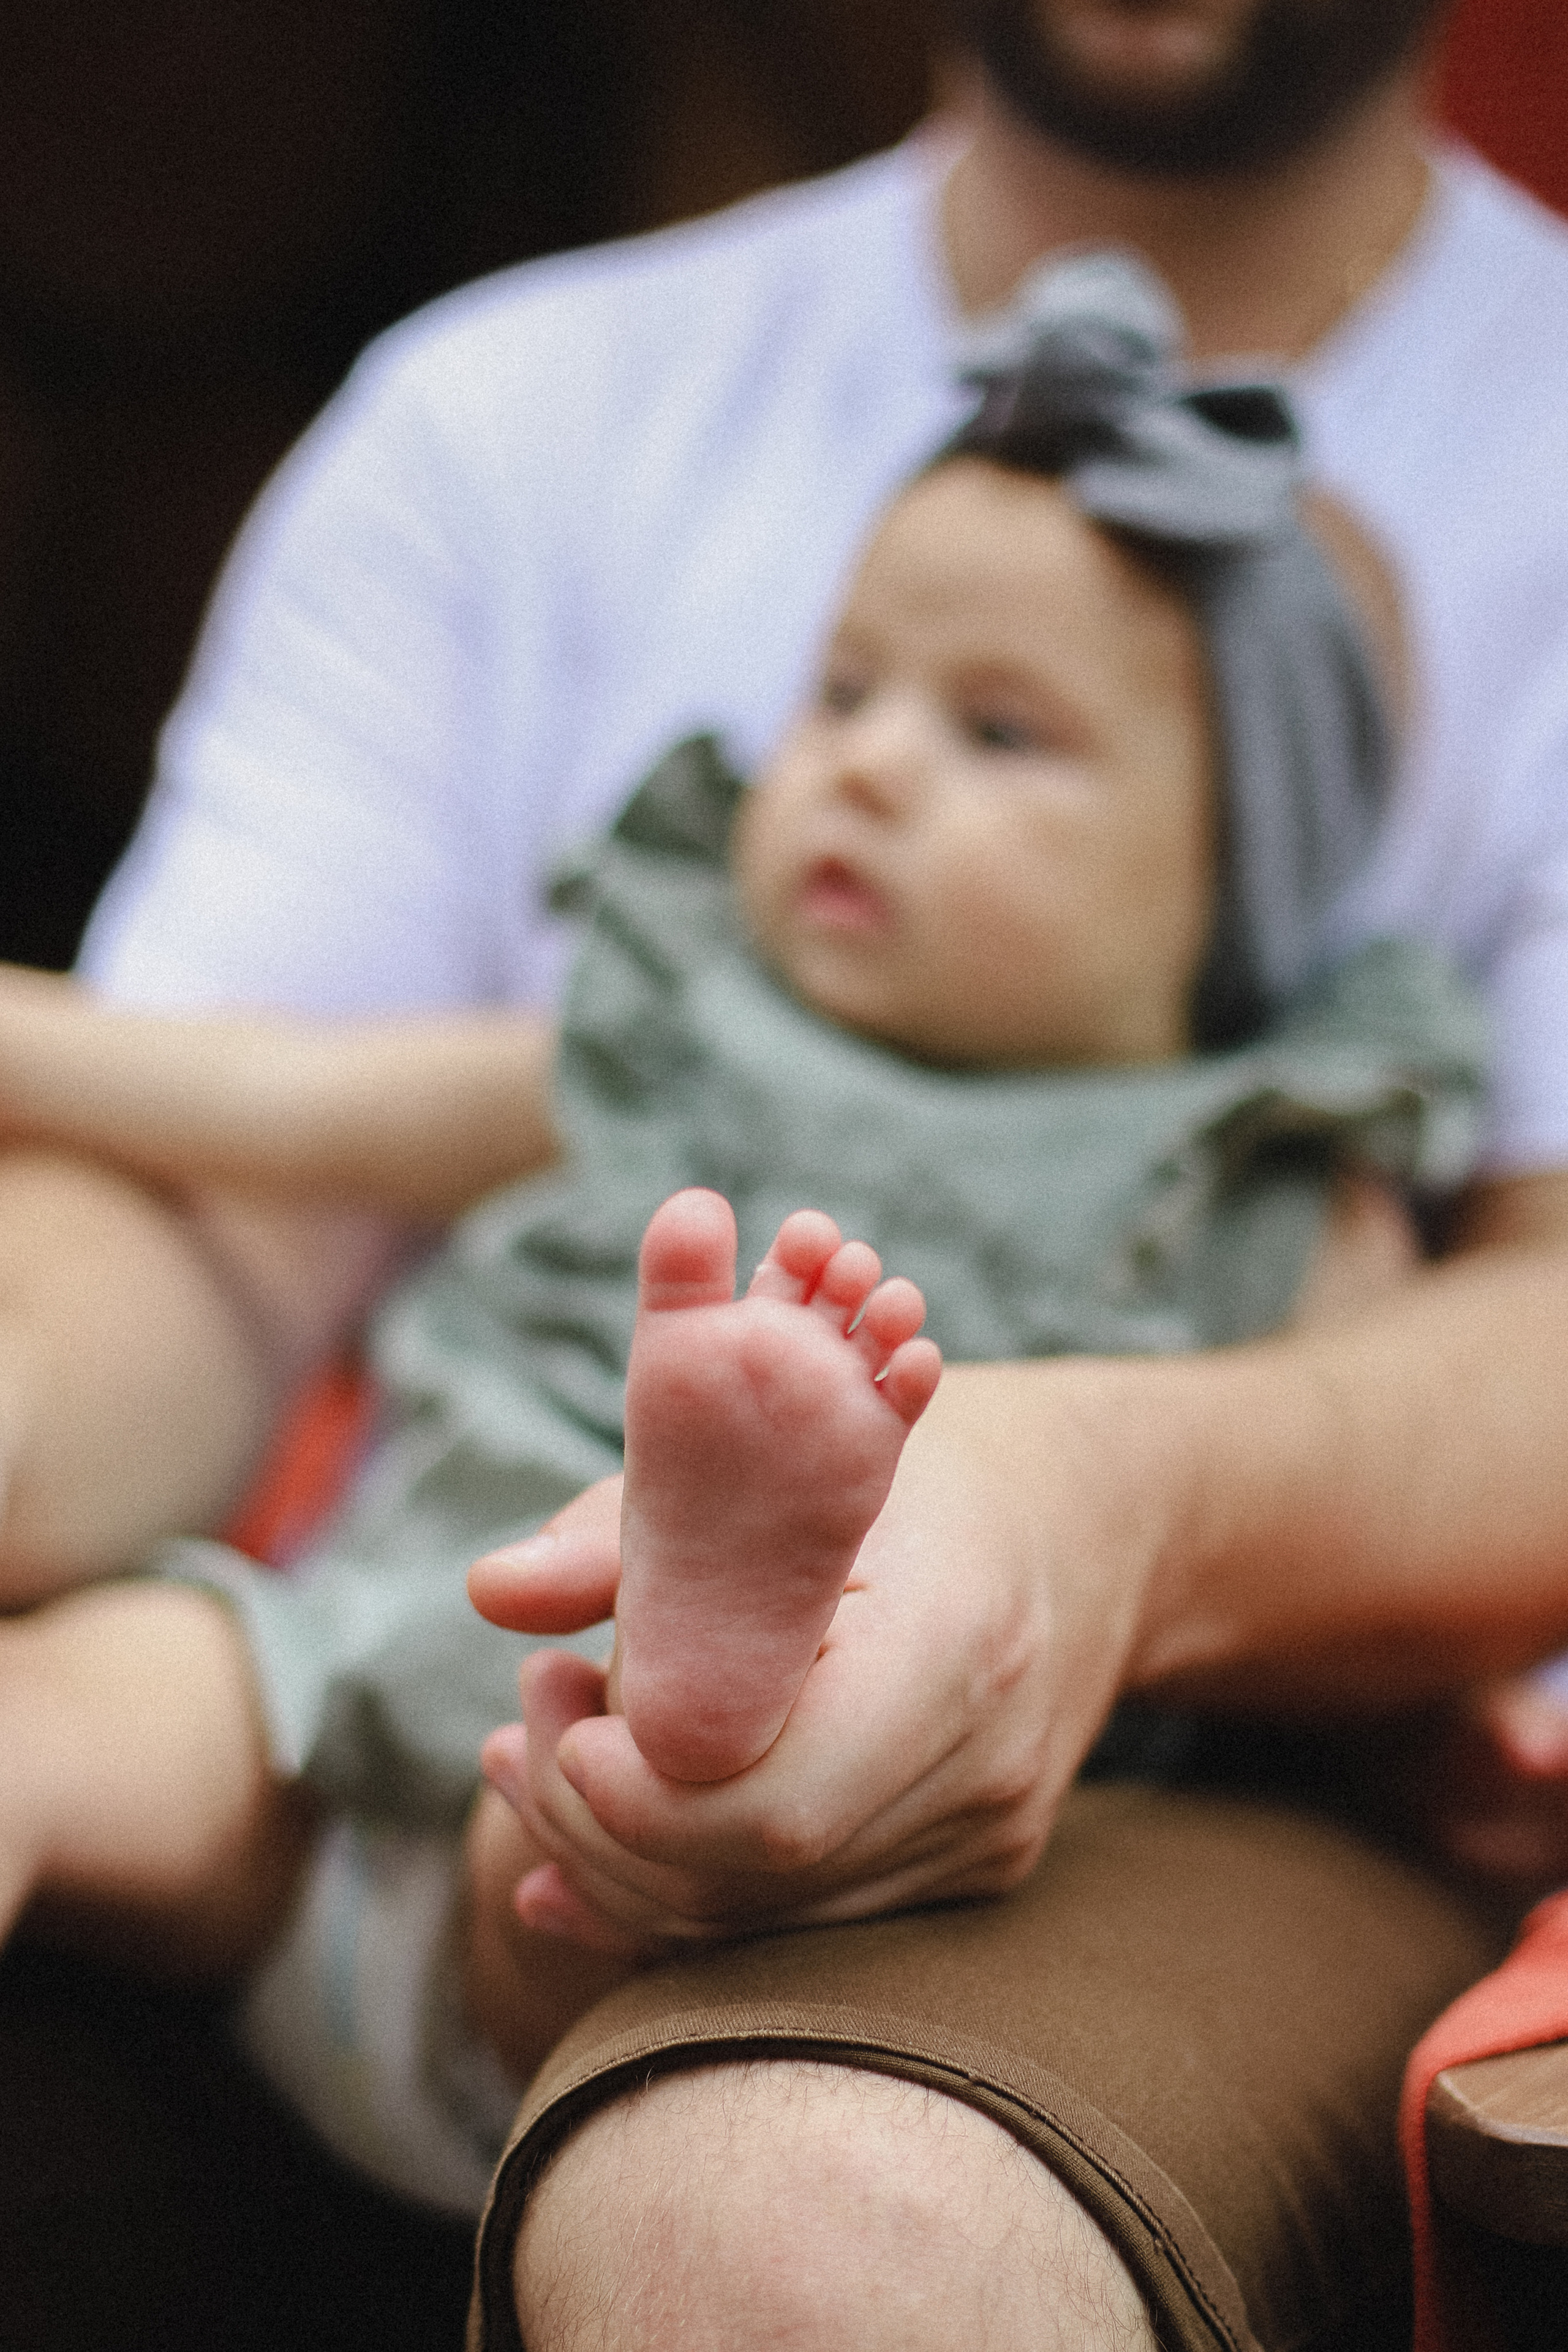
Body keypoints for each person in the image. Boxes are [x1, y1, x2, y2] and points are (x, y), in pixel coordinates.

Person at [2, 0, 1567, 2342]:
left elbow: (1478, 1422)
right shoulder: (629, 878)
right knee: (105, 1702)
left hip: (793, 1797)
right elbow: (273, 1113)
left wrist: (1311, 1609)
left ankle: (726, 1654)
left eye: (1002, 736)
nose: (865, 773)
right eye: (839, 695)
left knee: (645, 1847)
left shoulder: (1259, 1148)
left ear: (1236, 901)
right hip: (372, 1647)